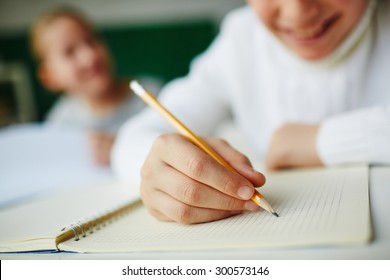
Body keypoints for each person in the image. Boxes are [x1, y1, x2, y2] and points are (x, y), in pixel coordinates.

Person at [112, 0, 390, 224]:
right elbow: (131, 141)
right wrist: (163, 164)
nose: (297, 13)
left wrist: (317, 141)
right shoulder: (241, 39)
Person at [29, 6, 160, 166]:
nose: (89, 56)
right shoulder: (59, 127)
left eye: (91, 40)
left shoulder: (154, 96)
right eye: (69, 52)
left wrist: (123, 149)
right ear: (49, 77)